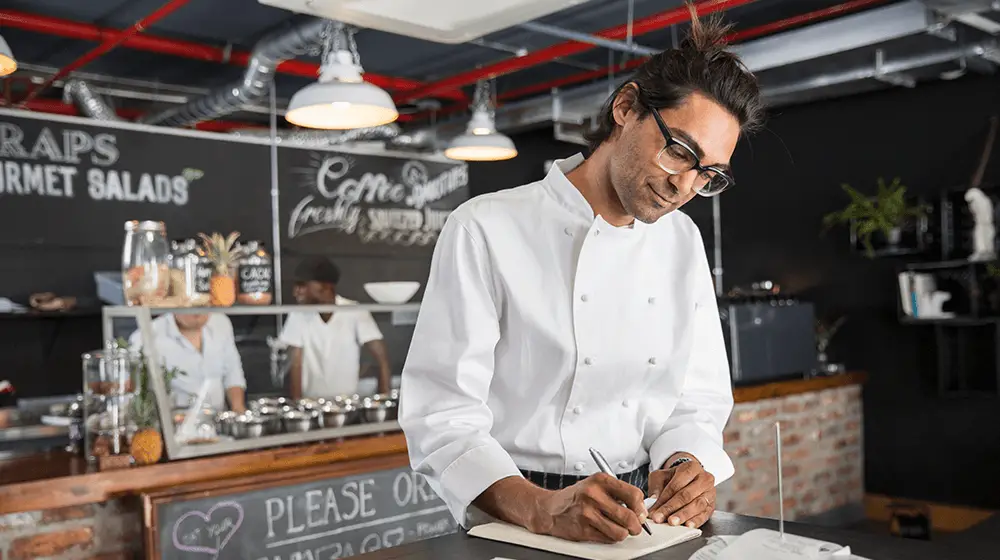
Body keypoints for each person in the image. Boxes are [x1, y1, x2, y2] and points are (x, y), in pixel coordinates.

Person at [400, 9, 764, 544]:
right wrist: (542, 509)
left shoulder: (681, 241)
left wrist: (687, 462)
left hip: (641, 518)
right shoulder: (487, 226)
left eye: (707, 173)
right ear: (626, 108)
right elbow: (443, 413)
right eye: (679, 151)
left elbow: (695, 398)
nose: (684, 185)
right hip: (514, 514)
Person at [281, 257, 392, 399]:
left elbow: (381, 357)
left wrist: (384, 398)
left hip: (348, 404)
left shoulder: (354, 311)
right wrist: (297, 406)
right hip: (311, 405)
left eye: (302, 285)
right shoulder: (298, 315)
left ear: (326, 286)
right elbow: (295, 364)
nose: (295, 292)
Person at [129, 313, 247, 413]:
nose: (198, 312)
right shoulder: (144, 337)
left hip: (218, 425)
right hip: (174, 427)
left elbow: (233, 373)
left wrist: (238, 411)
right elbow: (133, 393)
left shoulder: (221, 322)